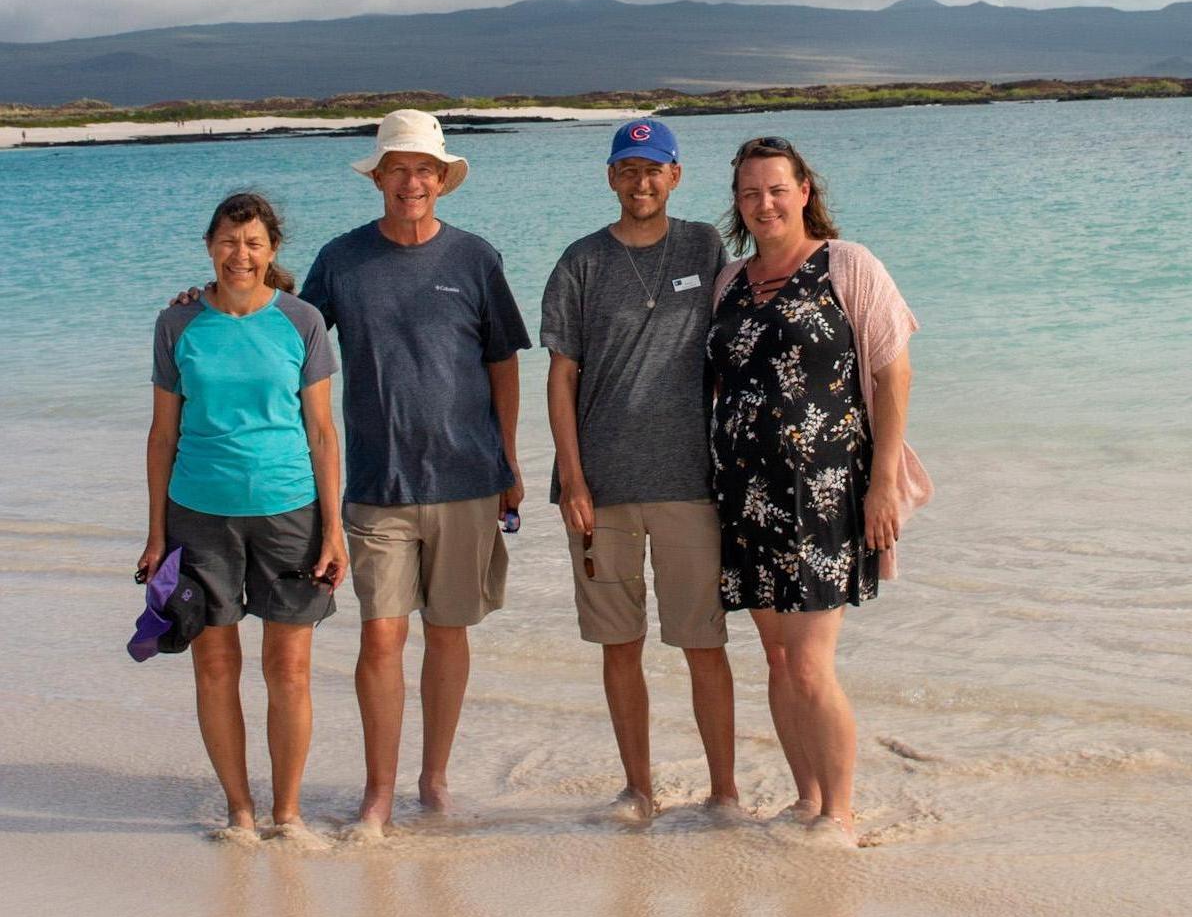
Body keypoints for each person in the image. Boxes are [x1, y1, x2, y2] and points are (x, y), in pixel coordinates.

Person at [300, 109, 531, 831]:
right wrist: (206, 302)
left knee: (451, 632)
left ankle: (432, 781)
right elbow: (291, 336)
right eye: (398, 169)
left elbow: (502, 363)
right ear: (380, 179)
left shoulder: (475, 259)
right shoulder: (342, 260)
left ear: (441, 179)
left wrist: (511, 461)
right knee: (381, 636)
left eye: (424, 169)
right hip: (377, 484)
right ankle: (377, 793)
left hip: (468, 478)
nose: (412, 181)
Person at [706, 136, 932, 836]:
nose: (764, 202)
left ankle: (839, 812)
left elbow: (894, 373)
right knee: (776, 659)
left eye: (777, 188)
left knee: (808, 663)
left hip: (826, 495)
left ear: (805, 191)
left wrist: (883, 486)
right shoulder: (730, 283)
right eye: (750, 192)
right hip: (744, 497)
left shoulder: (847, 265)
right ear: (738, 204)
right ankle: (805, 797)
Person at [541, 118, 738, 819]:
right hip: (605, 490)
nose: (641, 181)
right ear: (610, 177)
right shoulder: (581, 262)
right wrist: (573, 481)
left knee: (703, 644)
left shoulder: (704, 245)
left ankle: (724, 793)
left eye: (653, 169)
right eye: (628, 169)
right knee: (618, 647)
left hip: (691, 484)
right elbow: (560, 378)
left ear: (676, 175)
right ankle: (639, 789)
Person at [140, 192, 346, 838]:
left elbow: (321, 433)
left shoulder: (303, 321)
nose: (241, 254)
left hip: (290, 512)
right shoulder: (177, 324)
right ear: (210, 246)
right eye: (230, 242)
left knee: (288, 668)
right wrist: (154, 534)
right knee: (215, 664)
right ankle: (240, 812)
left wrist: (334, 529)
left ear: (272, 251)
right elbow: (161, 436)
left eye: (253, 243)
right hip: (198, 514)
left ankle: (287, 814)